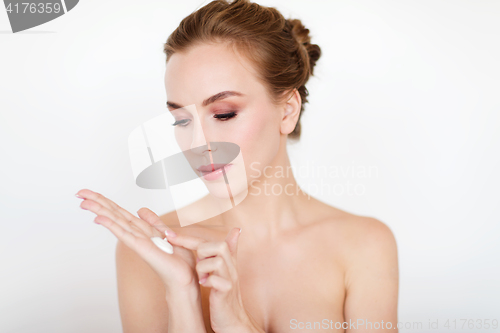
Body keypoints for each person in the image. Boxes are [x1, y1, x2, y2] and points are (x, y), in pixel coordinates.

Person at [76, 0, 399, 332]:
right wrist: (182, 296)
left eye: (223, 114)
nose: (198, 144)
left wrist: (238, 325)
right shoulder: (153, 250)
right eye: (181, 120)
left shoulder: (364, 245)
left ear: (287, 111)